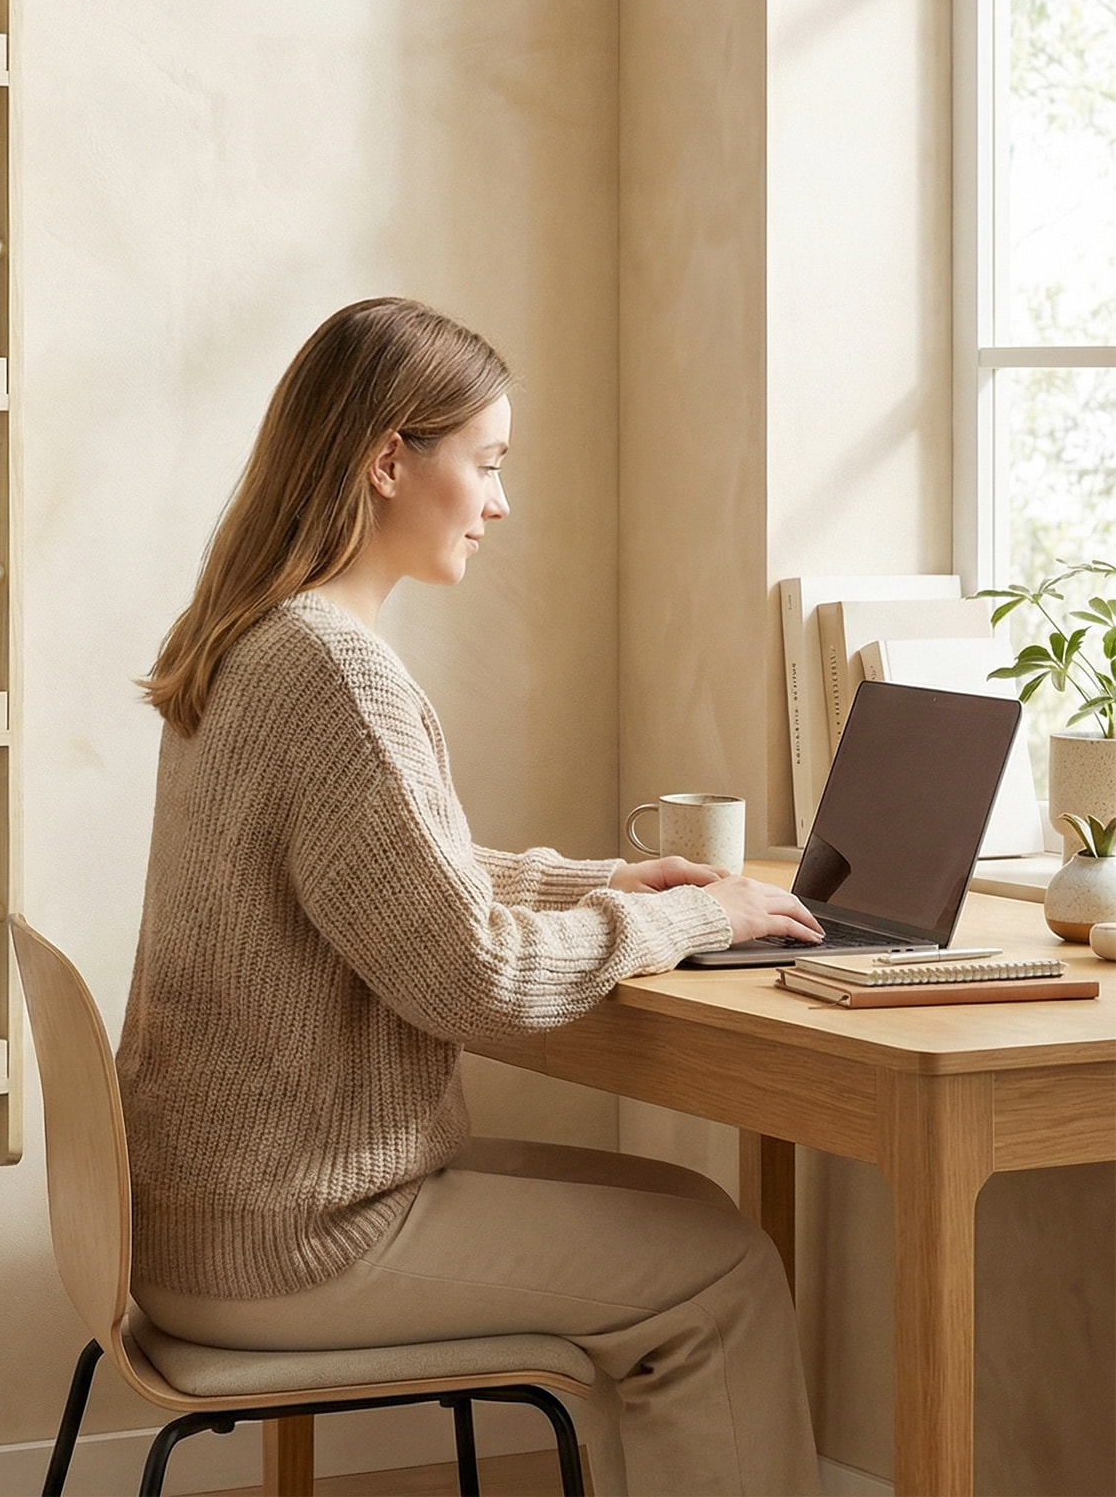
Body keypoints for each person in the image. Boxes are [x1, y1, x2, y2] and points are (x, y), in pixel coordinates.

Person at [116, 298, 823, 1497]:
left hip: (211, 1214)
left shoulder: (253, 637)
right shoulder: (332, 670)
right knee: (719, 1277)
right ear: (389, 459)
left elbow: (393, 873)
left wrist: (604, 879)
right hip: (294, 1237)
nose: (499, 504)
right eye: (485, 464)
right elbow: (480, 978)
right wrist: (699, 917)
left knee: (691, 1214)